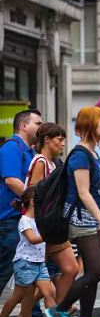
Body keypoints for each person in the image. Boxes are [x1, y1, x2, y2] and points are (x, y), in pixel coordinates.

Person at [44, 106, 100, 317]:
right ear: (91, 124)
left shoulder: (92, 153)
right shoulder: (80, 154)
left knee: (93, 272)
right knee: (96, 271)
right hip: (81, 219)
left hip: (90, 219)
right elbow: (83, 192)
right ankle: (59, 310)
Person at [24, 123, 79, 317]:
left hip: (53, 226)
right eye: (59, 139)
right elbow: (32, 195)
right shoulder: (40, 162)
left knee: (68, 269)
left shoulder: (53, 163)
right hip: (44, 228)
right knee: (41, 278)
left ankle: (48, 313)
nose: (62, 143)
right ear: (47, 140)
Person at [0, 187, 56, 317]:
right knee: (19, 296)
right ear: (32, 201)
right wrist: (48, 234)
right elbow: (32, 239)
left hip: (38, 263)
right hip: (25, 263)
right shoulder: (25, 221)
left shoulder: (39, 220)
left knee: (48, 292)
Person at [0, 109, 41, 298]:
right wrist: (37, 201)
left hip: (21, 220)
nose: (41, 127)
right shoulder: (11, 147)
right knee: (4, 270)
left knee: (30, 274)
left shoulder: (30, 150)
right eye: (38, 124)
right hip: (10, 221)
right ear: (24, 126)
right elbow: (11, 180)